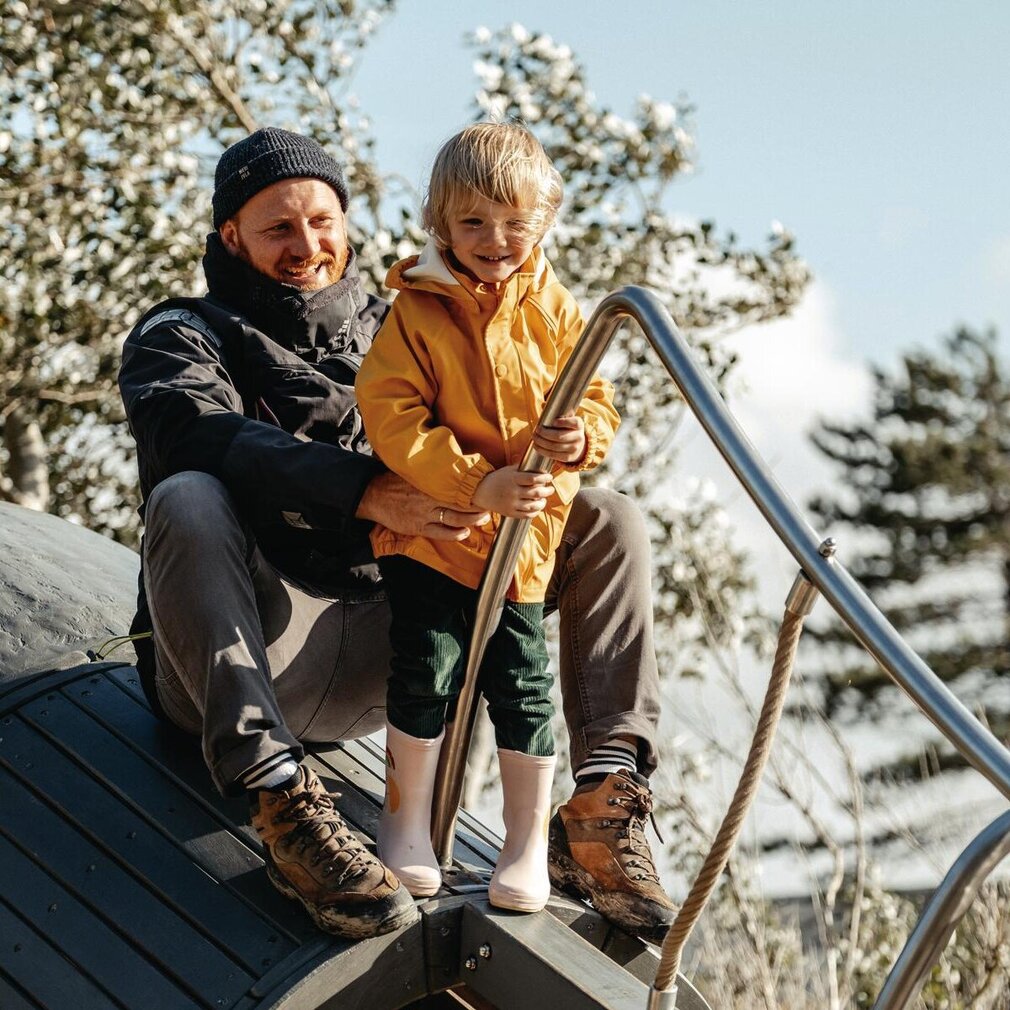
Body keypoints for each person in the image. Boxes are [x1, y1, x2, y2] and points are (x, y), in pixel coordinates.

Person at [118, 126, 676, 943]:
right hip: (258, 651)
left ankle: (601, 803)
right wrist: (370, 493)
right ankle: (280, 799)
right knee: (188, 496)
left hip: (401, 631)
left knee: (607, 517)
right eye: (278, 228)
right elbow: (198, 434)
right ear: (231, 235)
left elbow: (539, 405)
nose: (306, 245)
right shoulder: (181, 335)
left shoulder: (412, 315)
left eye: (321, 221)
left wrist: (569, 436)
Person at [355, 123, 619, 913]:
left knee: (523, 683)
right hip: (438, 530)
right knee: (425, 665)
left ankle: (524, 845)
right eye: (472, 223)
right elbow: (390, 413)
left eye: (514, 224)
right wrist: (476, 485)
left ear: (542, 225)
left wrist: (579, 439)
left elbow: (596, 402)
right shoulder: (417, 310)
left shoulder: (557, 308)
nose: (494, 241)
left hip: (523, 543)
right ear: (440, 224)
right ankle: (406, 829)